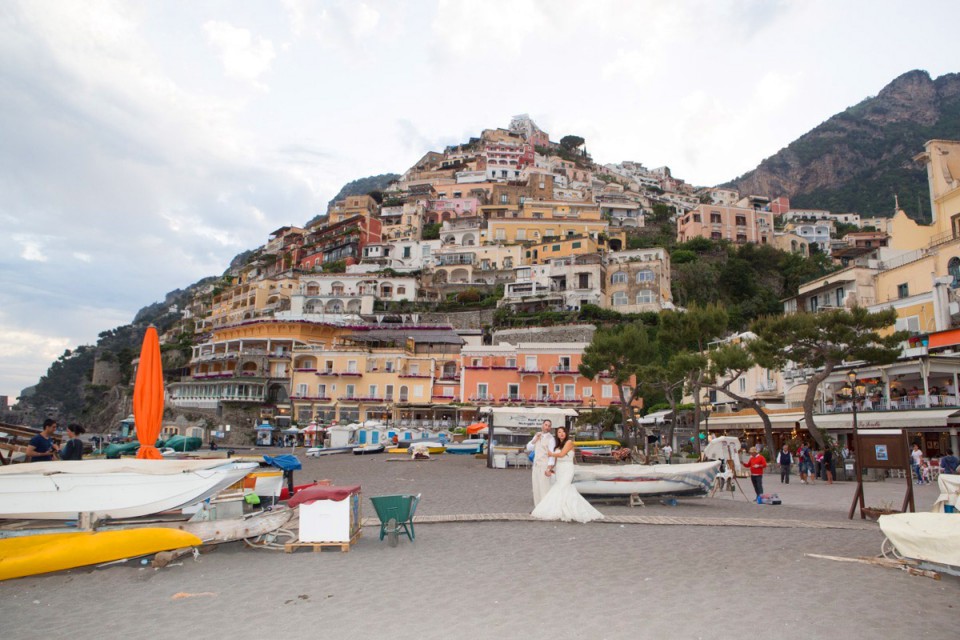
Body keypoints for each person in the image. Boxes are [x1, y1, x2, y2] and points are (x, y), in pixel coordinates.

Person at [531, 426, 604, 523]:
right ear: (557, 434)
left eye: (563, 432)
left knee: (562, 487)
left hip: (567, 468)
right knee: (562, 488)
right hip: (560, 469)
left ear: (566, 433)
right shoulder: (557, 446)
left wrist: (550, 453)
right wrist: (550, 468)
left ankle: (570, 510)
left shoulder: (569, 443)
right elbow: (556, 460)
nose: (561, 434)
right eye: (559, 432)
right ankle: (561, 509)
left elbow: (561, 454)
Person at [526, 419, 557, 507]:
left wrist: (549, 469)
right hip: (535, 466)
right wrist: (535, 439)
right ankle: (537, 508)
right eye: (546, 425)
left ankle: (545, 509)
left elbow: (552, 454)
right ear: (542, 425)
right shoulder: (537, 435)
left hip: (544, 466)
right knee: (536, 488)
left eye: (549, 426)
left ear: (550, 428)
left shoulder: (551, 439)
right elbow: (528, 448)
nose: (547, 427)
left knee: (544, 488)